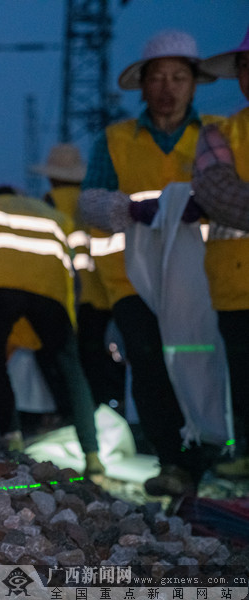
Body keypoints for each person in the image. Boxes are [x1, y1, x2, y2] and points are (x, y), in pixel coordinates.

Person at [79, 29, 221, 496]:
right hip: (129, 279)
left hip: (203, 280)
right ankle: (172, 461)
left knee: (202, 362)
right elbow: (90, 201)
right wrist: (128, 209)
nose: (168, 87)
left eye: (179, 77)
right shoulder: (116, 139)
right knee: (147, 360)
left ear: (194, 83)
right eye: (158, 77)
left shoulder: (213, 136)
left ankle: (210, 455)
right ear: (142, 84)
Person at [0, 187, 104, 476]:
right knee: (71, 367)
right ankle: (93, 455)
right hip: (49, 290)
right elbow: (73, 269)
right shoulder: (57, 217)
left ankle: (12, 436)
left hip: (1, 284)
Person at [30, 145, 127, 416]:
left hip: (67, 295)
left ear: (51, 176)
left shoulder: (48, 203)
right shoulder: (92, 201)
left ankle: (74, 416)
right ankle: (107, 412)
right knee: (96, 357)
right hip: (101, 292)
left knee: (66, 359)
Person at [192, 25, 249, 479]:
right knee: (244, 376)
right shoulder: (221, 132)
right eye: (245, 67)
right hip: (236, 282)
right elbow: (222, 193)